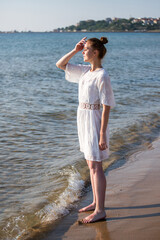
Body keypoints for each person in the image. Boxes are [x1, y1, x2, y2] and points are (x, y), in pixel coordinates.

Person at [56, 37, 115, 223]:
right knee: (91, 165)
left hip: (95, 121)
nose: (83, 52)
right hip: (83, 119)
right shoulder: (85, 72)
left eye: (86, 49)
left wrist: (102, 133)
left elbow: (106, 106)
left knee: (96, 166)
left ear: (95, 52)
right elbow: (60, 64)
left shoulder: (102, 75)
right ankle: (95, 202)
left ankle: (100, 210)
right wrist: (75, 49)